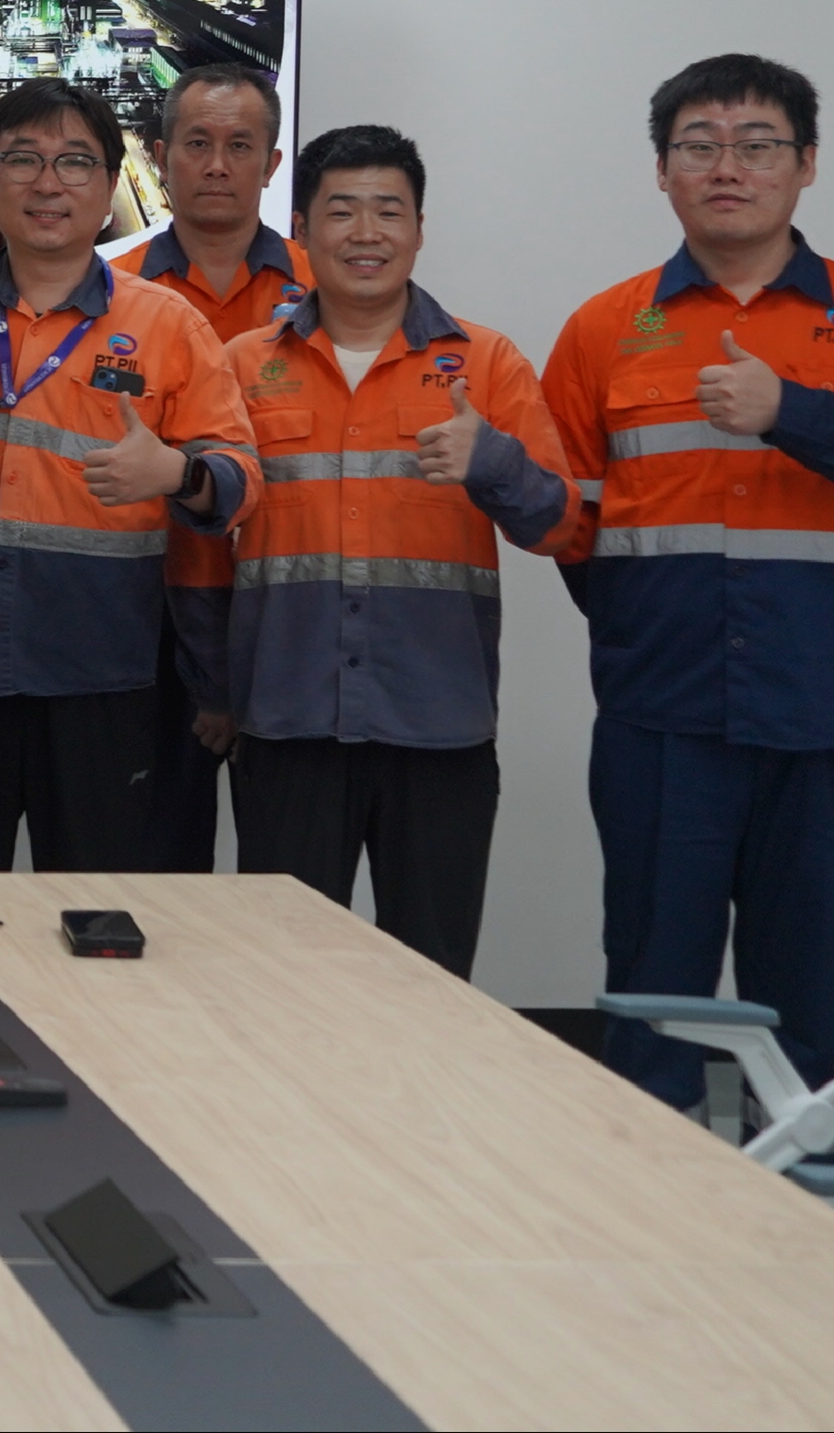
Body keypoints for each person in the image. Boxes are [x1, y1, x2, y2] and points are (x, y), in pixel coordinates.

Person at [543, 54, 834, 1111]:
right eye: (698, 146)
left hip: (822, 722)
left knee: (815, 1005)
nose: (725, 167)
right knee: (651, 998)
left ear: (805, 164)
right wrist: (645, 627)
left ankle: (808, 1202)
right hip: (660, 721)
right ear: (661, 171)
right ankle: (651, 1196)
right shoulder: (603, 328)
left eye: (756, 145)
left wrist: (791, 411)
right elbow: (572, 524)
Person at [185, 126, 570, 977]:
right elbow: (205, 545)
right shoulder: (243, 363)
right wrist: (216, 688)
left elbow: (556, 525)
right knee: (284, 977)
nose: (366, 233)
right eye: (342, 211)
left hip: (438, 727)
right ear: (301, 228)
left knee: (431, 979)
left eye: (389, 211)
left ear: (420, 228)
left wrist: (493, 461)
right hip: (286, 721)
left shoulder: (486, 363)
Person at [0, 79, 257, 874]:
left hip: (104, 675)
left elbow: (239, 477)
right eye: (22, 160)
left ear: (108, 189)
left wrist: (177, 473)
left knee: (101, 914)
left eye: (73, 162)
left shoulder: (167, 323)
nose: (47, 183)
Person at [109, 63, 314, 872]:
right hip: (150, 614)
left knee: (292, 877)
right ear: (161, 157)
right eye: (197, 144)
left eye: (241, 146)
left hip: (292, 612)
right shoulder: (113, 293)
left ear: (271, 163)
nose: (218, 165)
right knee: (154, 873)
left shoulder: (327, 289)